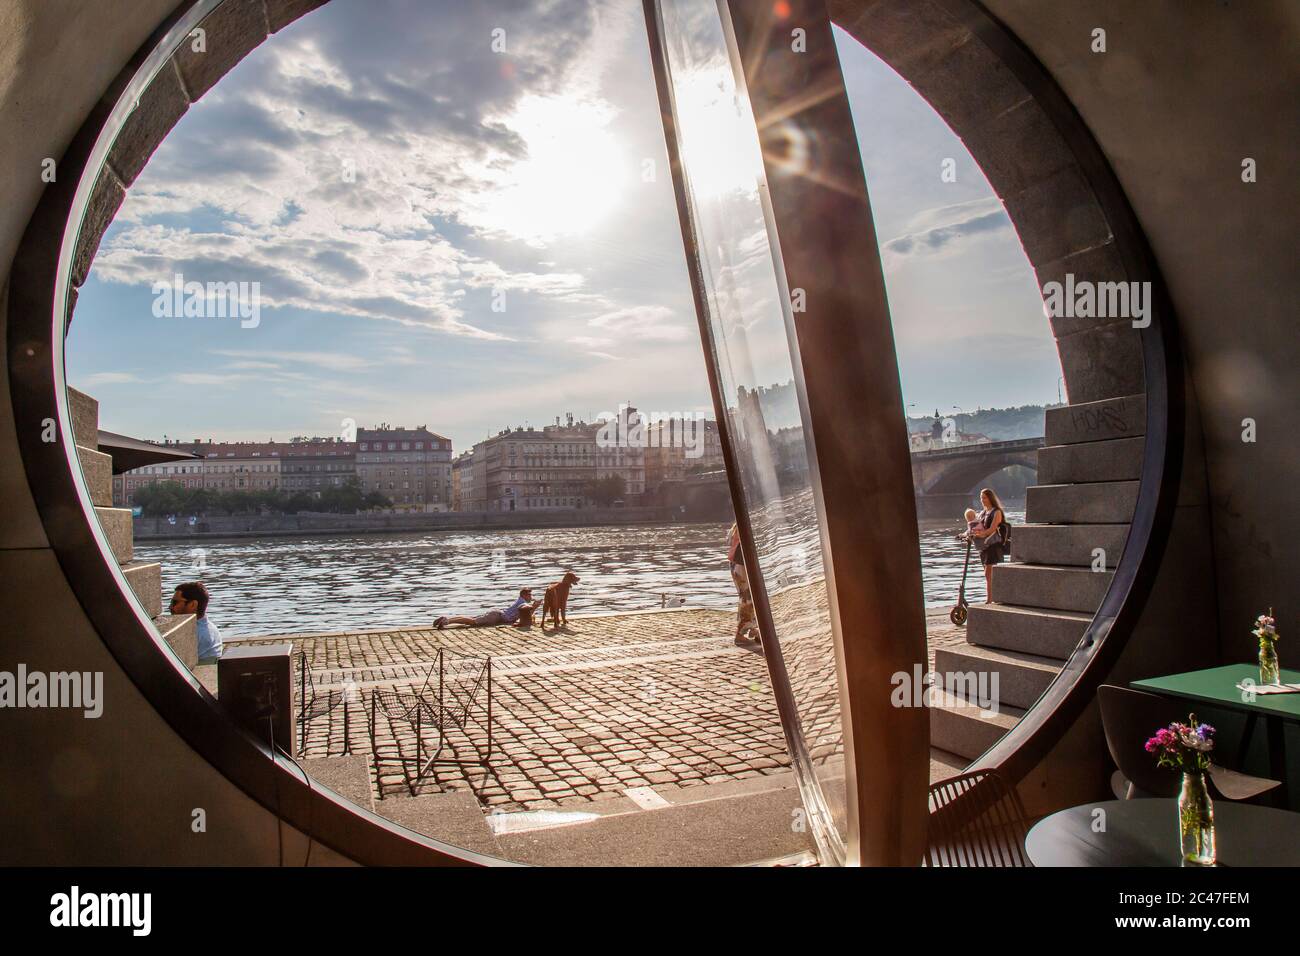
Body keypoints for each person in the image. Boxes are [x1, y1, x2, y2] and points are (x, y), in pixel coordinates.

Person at [968, 488, 1007, 602]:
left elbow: (992, 529)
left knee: (988, 572)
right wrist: (966, 533)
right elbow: (975, 526)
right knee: (988, 574)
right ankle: (994, 597)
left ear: (990, 498)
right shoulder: (983, 513)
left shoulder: (997, 512)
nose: (982, 500)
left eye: (984, 497)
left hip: (993, 544)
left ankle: (990, 599)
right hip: (984, 546)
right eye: (981, 498)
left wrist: (982, 534)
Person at [435, 588, 539, 629]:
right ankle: (446, 621)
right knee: (473, 622)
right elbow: (524, 608)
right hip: (497, 616)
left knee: (470, 620)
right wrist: (533, 606)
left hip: (497, 614)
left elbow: (526, 614)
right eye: (530, 595)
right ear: (525, 595)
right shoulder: (522, 602)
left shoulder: (521, 601)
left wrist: (534, 607)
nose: (531, 596)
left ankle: (447, 619)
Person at [171, 581, 222, 664]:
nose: (171, 607)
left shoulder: (190, 634)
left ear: (193, 604)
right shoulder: (212, 629)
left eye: (175, 602)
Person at [728, 523, 760, 648]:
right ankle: (740, 634)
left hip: (735, 565)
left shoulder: (735, 528)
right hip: (741, 566)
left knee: (748, 598)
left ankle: (753, 629)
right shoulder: (742, 527)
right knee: (747, 599)